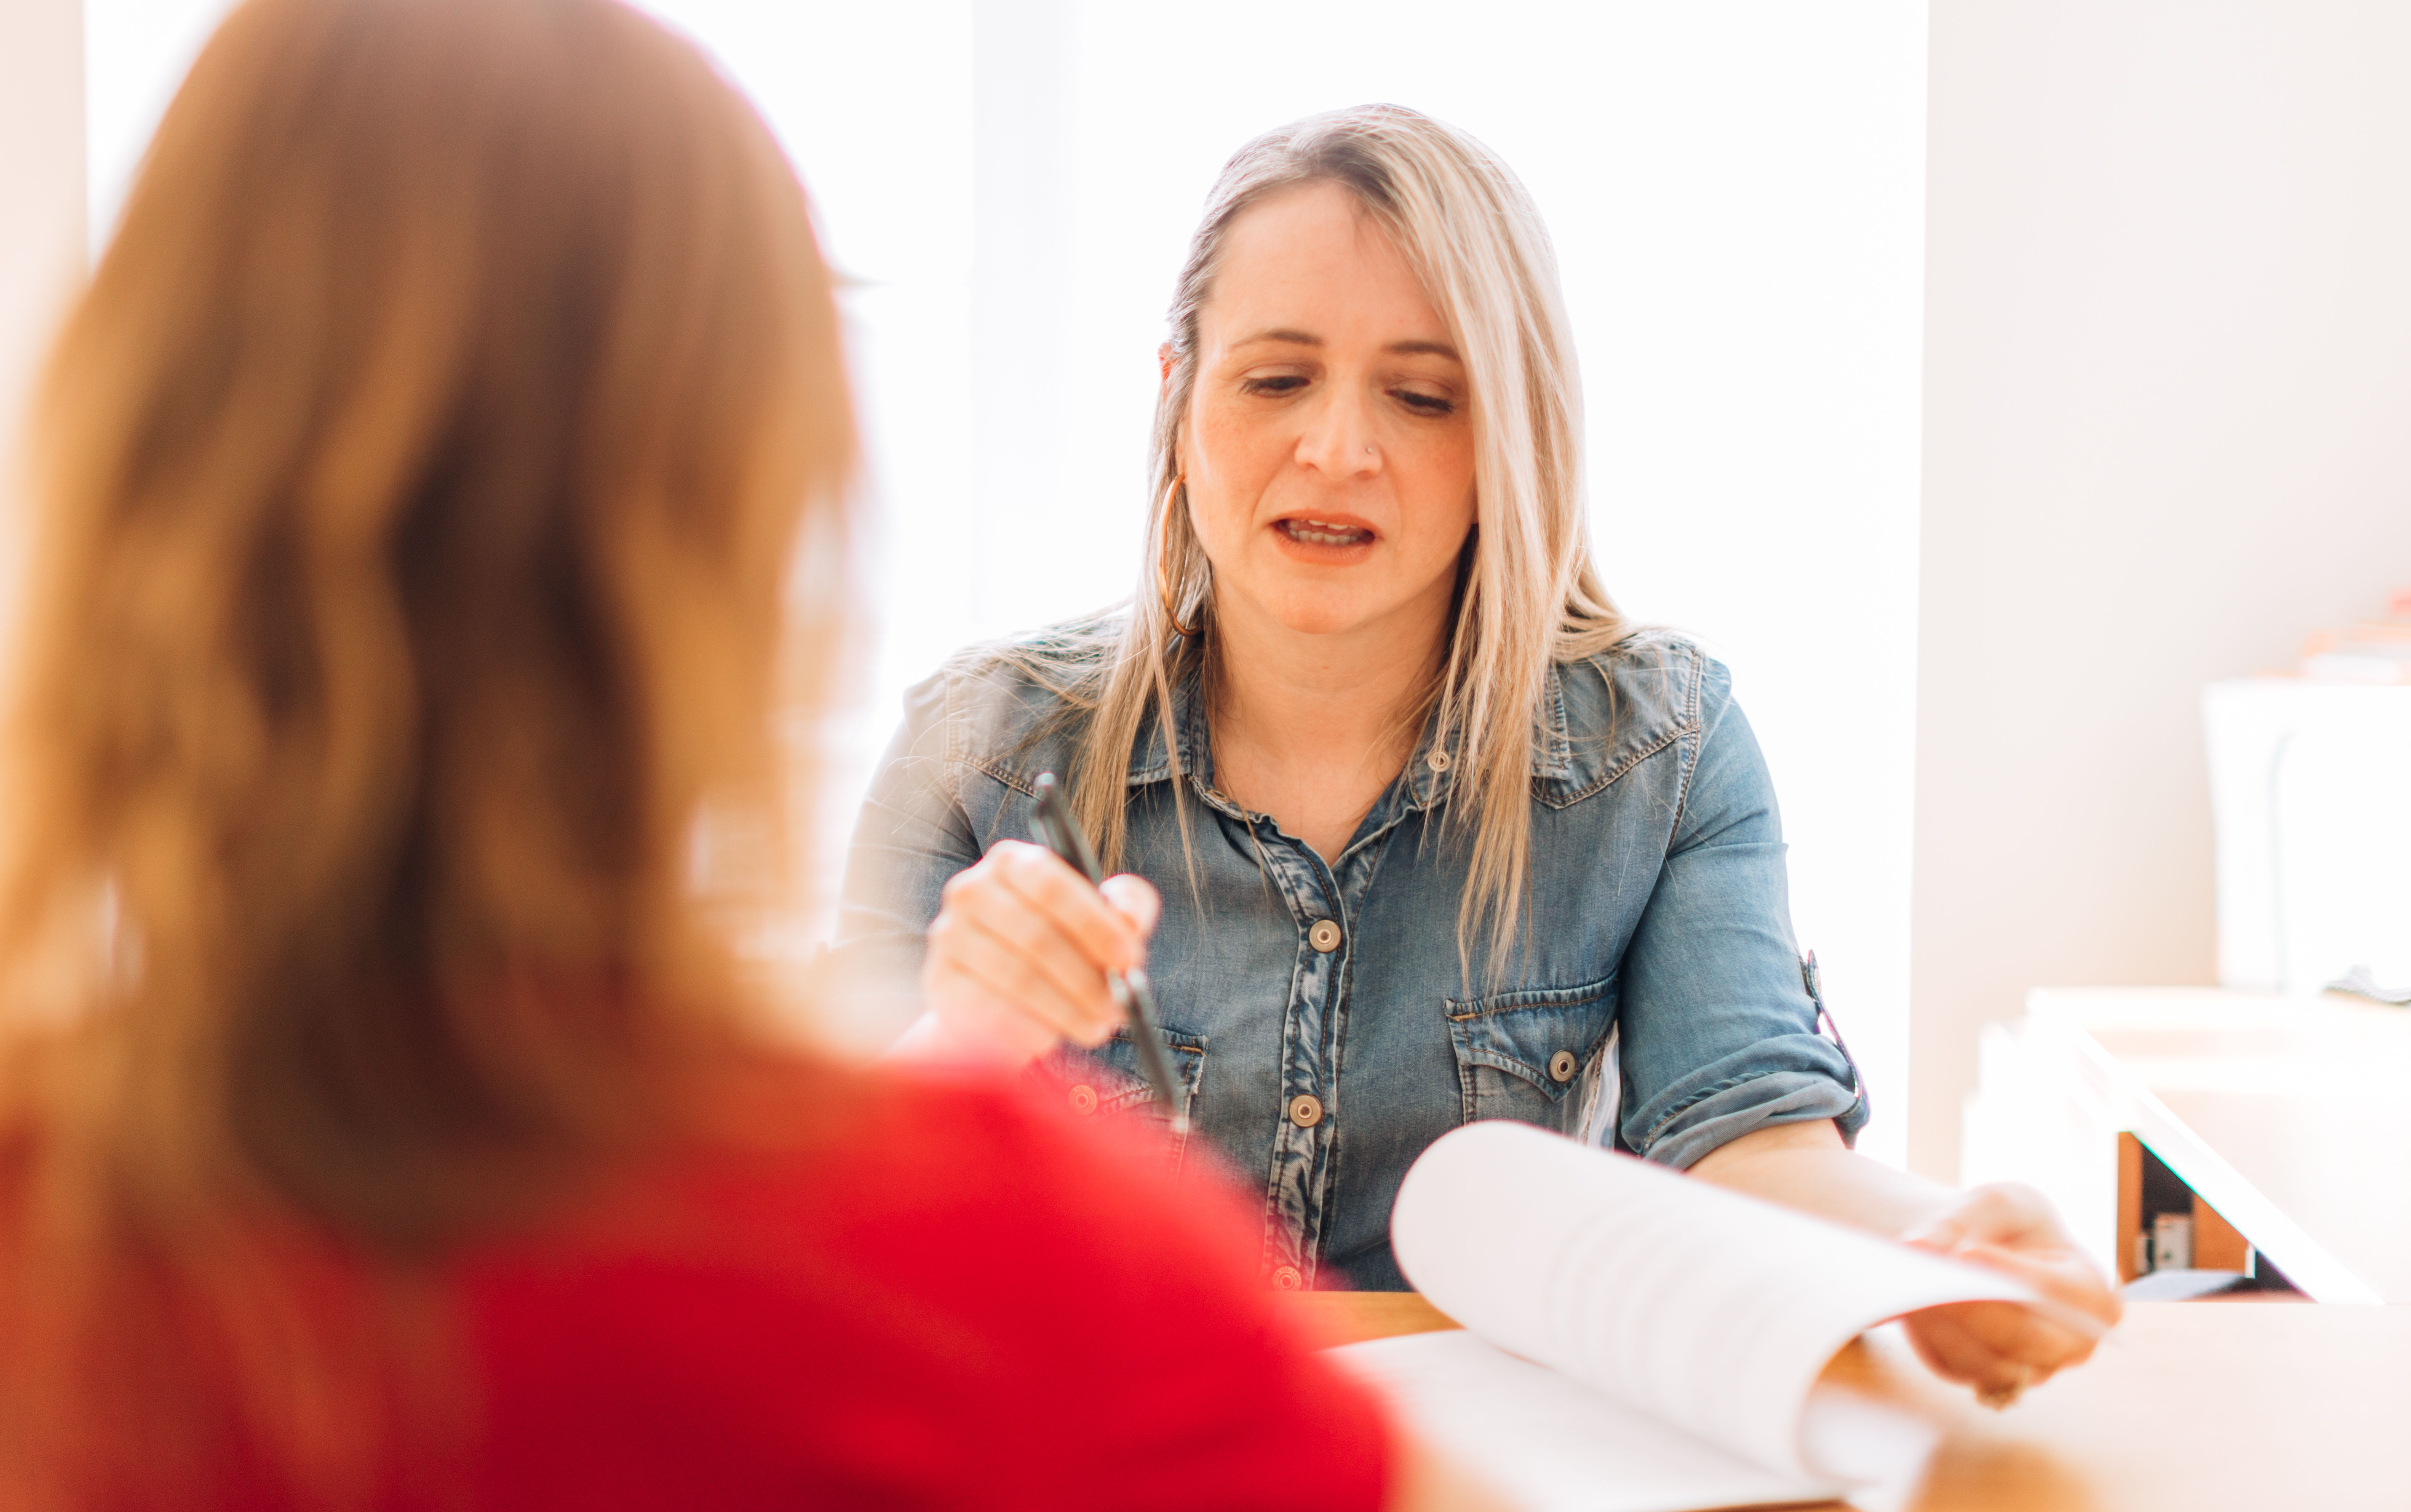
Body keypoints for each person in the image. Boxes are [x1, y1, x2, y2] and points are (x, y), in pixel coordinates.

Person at [0, 0, 1484, 1511]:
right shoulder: (1029, 1265)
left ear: (127, 484)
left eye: (1420, 391)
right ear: (732, 537)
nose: (1341, 448)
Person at [834, 106, 2119, 1401]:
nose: (1339, 449)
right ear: (1178, 404)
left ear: (1510, 438)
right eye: (1276, 379)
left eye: (1423, 395)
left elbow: (1750, 1150)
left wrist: (1946, 1256)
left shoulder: (1660, 755)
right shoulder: (980, 747)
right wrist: (964, 1035)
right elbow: (800, 1224)